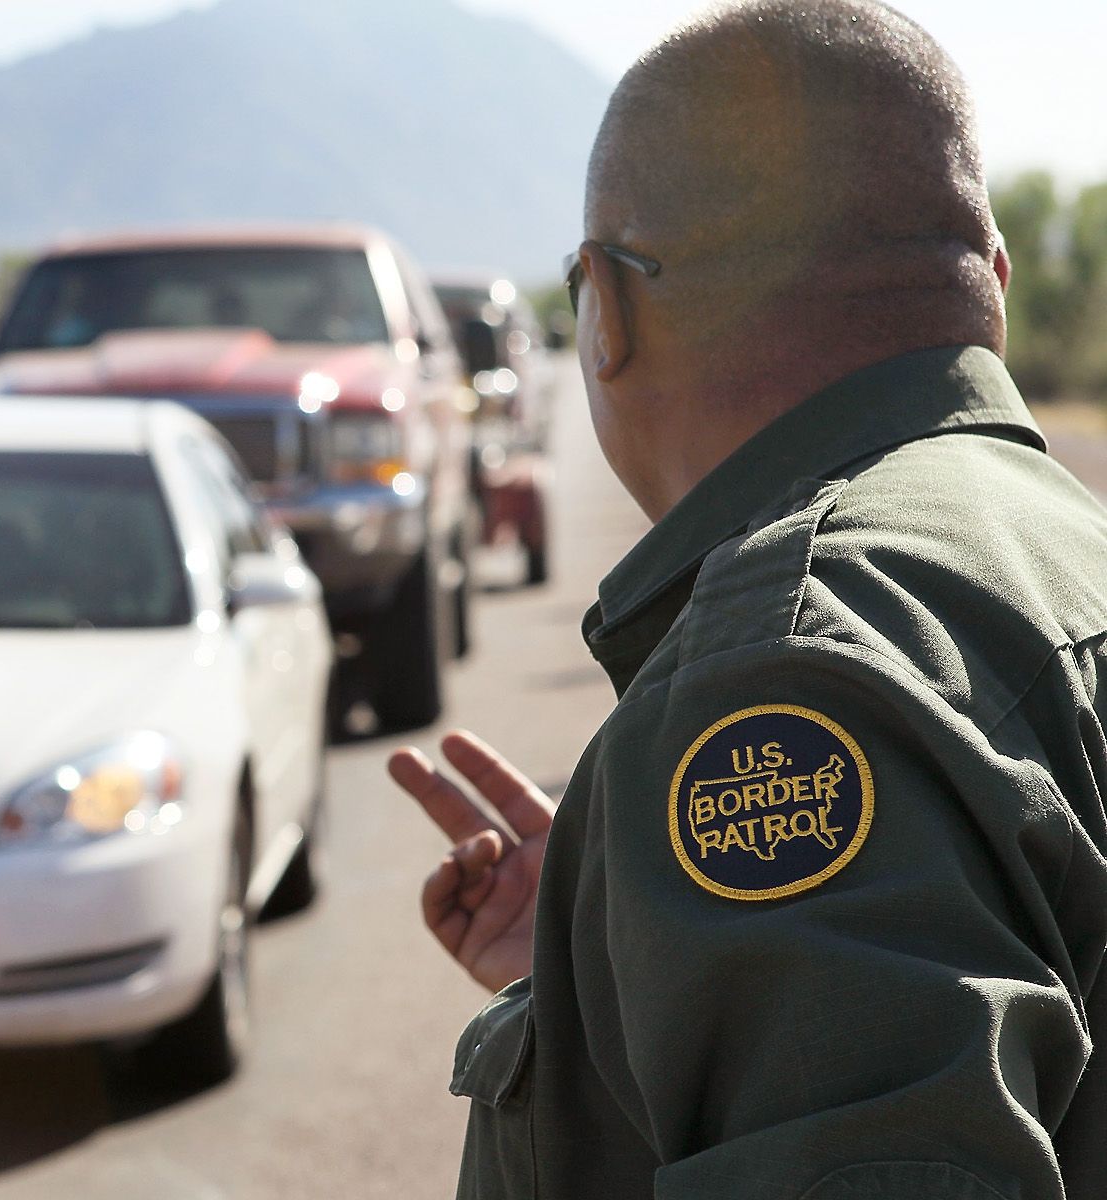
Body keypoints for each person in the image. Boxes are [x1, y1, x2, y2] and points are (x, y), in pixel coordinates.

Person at [386, 2, 1107, 1196]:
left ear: (607, 313)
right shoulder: (1062, 546)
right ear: (995, 281)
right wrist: (626, 954)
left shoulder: (789, 666)